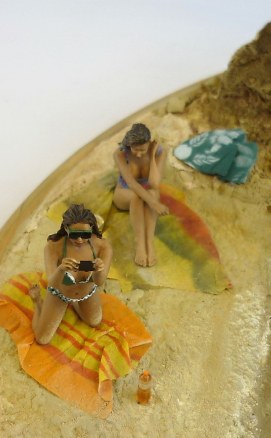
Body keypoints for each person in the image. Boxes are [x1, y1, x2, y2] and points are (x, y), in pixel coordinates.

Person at [29, 204, 114, 399]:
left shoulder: (102, 246)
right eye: (75, 234)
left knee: (95, 321)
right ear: (66, 228)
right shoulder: (53, 246)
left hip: (86, 291)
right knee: (42, 339)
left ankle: (75, 304)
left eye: (85, 234)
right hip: (59, 292)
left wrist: (99, 269)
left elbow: (99, 282)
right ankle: (37, 302)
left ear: (92, 229)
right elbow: (51, 282)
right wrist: (61, 269)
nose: (79, 240)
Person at [113, 123, 170, 267]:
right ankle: (140, 244)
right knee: (137, 196)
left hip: (148, 191)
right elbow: (132, 184)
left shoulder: (159, 151)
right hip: (125, 192)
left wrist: (152, 156)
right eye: (135, 149)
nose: (138, 154)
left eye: (142, 150)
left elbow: (154, 183)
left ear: (149, 144)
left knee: (152, 192)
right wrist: (153, 203)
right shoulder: (120, 153)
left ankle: (149, 244)